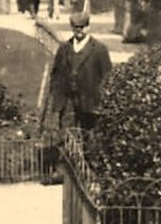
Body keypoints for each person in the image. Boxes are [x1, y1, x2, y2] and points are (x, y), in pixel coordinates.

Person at [42, 11, 114, 139]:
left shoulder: (99, 49)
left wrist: (103, 101)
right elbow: (56, 74)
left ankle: (87, 158)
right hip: (68, 100)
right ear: (72, 28)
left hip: (90, 102)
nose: (79, 30)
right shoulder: (64, 48)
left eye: (83, 27)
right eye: (76, 27)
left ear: (88, 27)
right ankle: (68, 157)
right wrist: (56, 98)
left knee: (89, 136)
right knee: (67, 135)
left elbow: (107, 77)